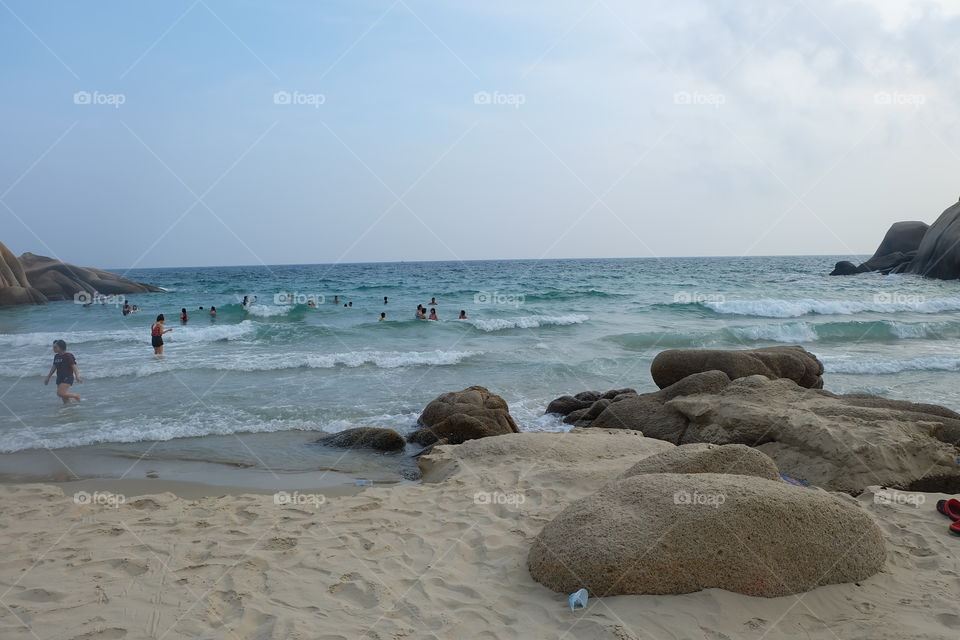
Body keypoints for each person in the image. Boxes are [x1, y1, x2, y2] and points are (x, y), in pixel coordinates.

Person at [44, 339, 81, 404]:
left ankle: (76, 396)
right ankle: (68, 409)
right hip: (59, 377)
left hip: (68, 377)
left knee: (60, 393)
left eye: (55, 347)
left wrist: (77, 376)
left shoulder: (68, 356)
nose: (53, 349)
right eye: (53, 347)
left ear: (61, 347)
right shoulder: (56, 356)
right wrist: (48, 377)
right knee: (64, 397)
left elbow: (74, 366)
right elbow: (54, 367)